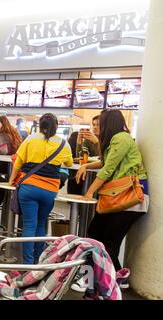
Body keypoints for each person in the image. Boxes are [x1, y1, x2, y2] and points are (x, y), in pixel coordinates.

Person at [73, 109, 148, 290]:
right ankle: (113, 277)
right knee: (96, 235)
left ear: (109, 123)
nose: (98, 127)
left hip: (129, 199)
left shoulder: (121, 138)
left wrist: (90, 191)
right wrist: (87, 166)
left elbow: (108, 169)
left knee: (107, 241)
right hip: (120, 198)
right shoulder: (116, 140)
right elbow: (105, 162)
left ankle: (94, 279)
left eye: (101, 123)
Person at [8, 113, 73, 264]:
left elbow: (18, 161)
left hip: (29, 187)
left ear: (39, 125)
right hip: (49, 190)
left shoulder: (31, 139)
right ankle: (39, 261)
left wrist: (12, 179)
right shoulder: (64, 144)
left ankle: (28, 264)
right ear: (56, 127)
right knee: (41, 223)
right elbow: (69, 163)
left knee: (29, 224)